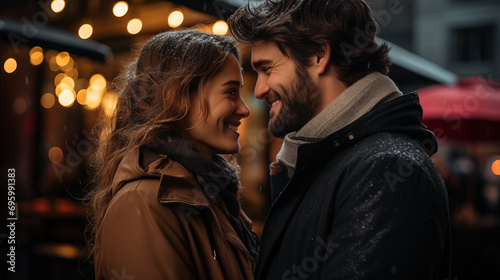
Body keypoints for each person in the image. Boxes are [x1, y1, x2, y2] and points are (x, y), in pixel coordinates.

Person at [228, 0, 450, 279]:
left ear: (319, 56)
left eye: (268, 69)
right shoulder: (336, 158)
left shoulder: (385, 170)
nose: (259, 90)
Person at [87, 29, 257, 279]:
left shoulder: (209, 190)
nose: (245, 109)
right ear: (177, 97)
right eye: (231, 92)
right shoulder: (142, 204)